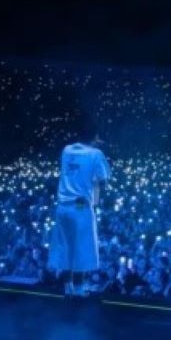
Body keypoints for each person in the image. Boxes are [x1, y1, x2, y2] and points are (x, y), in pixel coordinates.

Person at [54, 120, 111, 297]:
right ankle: (79, 289)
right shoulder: (96, 154)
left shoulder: (66, 150)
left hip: (63, 206)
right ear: (95, 137)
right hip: (80, 206)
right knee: (83, 247)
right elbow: (103, 179)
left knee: (67, 246)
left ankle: (67, 286)